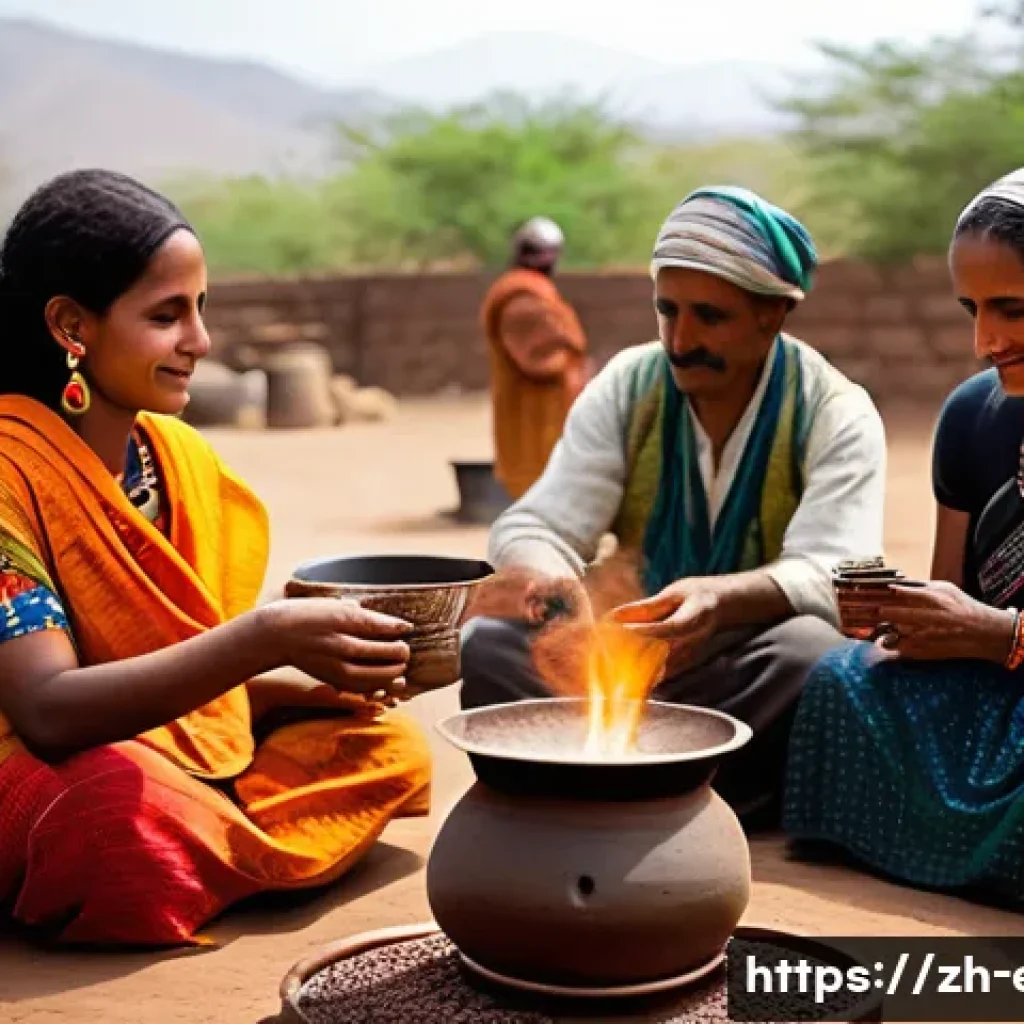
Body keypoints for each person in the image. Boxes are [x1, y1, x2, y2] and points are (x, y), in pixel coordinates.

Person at [0, 170, 430, 947]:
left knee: (382, 744)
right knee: (109, 828)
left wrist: (317, 667)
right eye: (167, 316)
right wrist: (266, 637)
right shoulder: (9, 468)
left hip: (159, 750)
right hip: (37, 755)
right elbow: (46, 710)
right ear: (71, 325)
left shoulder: (176, 457)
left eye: (201, 309)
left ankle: (209, 851)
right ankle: (216, 847)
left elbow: (189, 682)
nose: (200, 342)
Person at [461, 186, 887, 823]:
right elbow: (538, 521)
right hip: (615, 652)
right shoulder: (630, 385)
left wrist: (718, 602)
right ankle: (641, 786)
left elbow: (838, 572)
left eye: (710, 317)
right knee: (490, 643)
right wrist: (554, 588)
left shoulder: (833, 411)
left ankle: (649, 799)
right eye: (668, 311)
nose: (681, 340)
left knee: (814, 657)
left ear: (772, 314)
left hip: (741, 661)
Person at [784, 168, 1024, 904]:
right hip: (996, 692)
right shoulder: (970, 417)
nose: (986, 340)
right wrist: (905, 622)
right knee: (837, 677)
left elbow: (986, 629)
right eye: (971, 310)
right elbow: (950, 592)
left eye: (1012, 309)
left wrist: (1001, 635)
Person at [481, 216, 590, 501]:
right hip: (536, 414)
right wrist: (569, 359)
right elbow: (536, 359)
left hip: (546, 412)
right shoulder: (523, 297)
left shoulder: (531, 290)